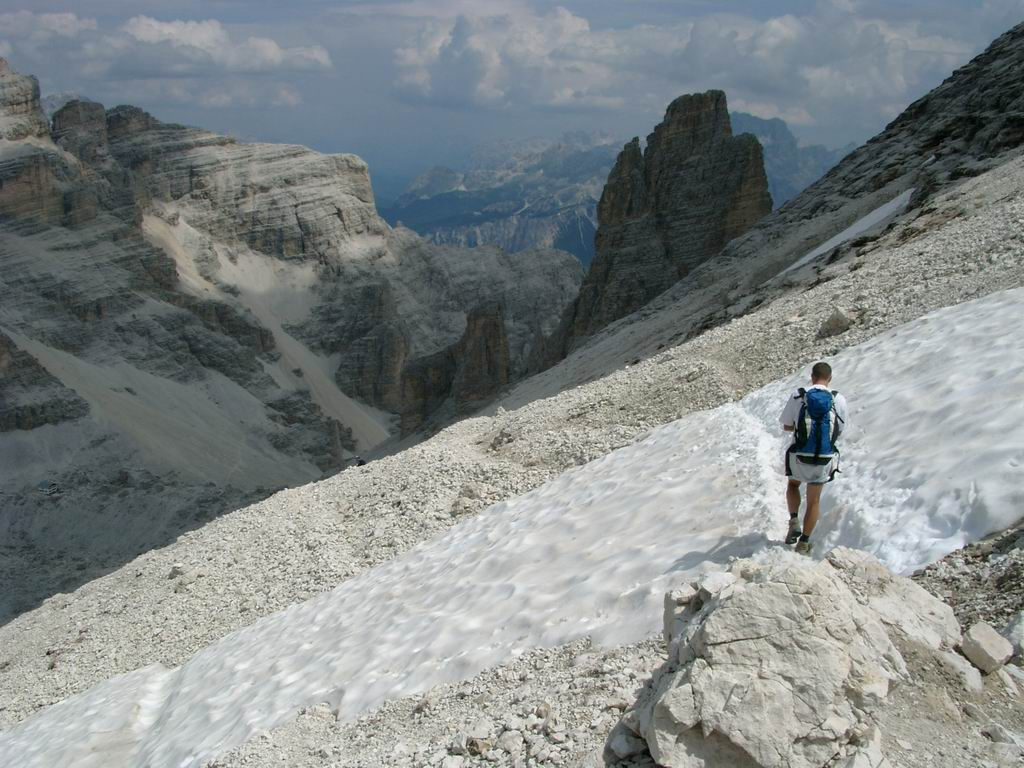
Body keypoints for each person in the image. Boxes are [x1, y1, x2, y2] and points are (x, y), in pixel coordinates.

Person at [778, 361, 848, 554]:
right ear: (830, 378)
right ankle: (804, 542)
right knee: (814, 500)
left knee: (793, 485)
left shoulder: (799, 395)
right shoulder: (838, 399)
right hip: (824, 456)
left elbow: (786, 425)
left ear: (812, 376)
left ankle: (794, 520)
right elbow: (840, 430)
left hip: (800, 453)